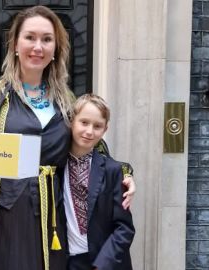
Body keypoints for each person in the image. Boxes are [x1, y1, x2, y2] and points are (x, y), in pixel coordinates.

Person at [0, 5, 135, 270]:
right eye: (30, 37)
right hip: (1, 218)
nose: (38, 46)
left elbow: (93, 147)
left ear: (56, 49)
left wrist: (124, 175)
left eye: (46, 39)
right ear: (15, 44)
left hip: (52, 218)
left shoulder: (65, 99)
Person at [64, 94, 135, 270]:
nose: (89, 131)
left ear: (105, 129)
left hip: (104, 262)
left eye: (97, 126)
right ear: (72, 121)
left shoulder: (113, 171)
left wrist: (103, 265)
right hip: (67, 261)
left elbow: (124, 228)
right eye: (84, 122)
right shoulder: (56, 166)